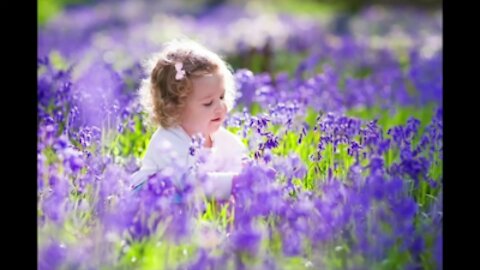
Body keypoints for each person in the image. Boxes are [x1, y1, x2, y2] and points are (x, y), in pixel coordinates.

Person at [130, 39, 248, 200]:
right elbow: (187, 182)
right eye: (208, 103)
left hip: (196, 197)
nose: (221, 106)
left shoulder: (223, 139)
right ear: (175, 108)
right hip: (154, 198)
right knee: (173, 196)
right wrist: (232, 183)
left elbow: (236, 160)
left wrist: (249, 172)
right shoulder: (168, 142)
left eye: (222, 96)